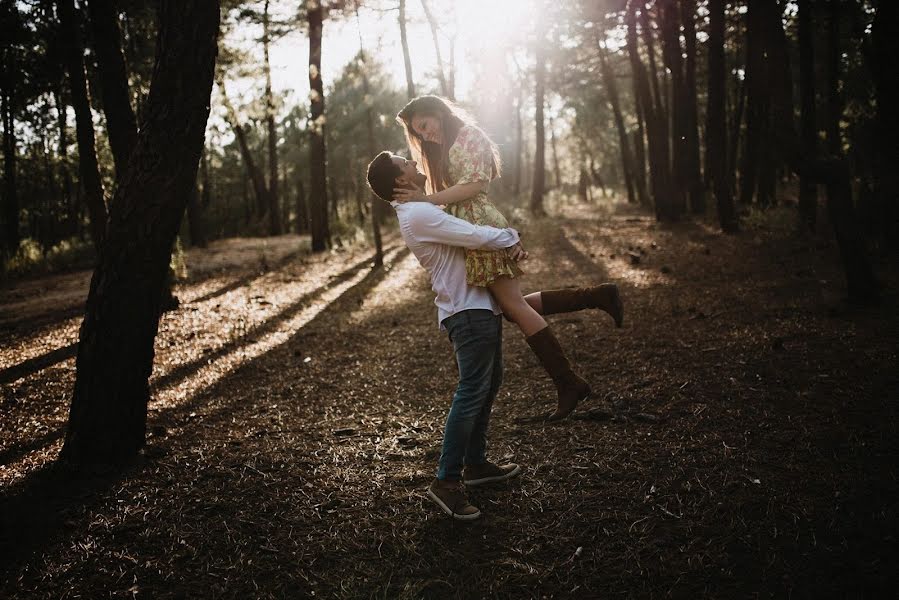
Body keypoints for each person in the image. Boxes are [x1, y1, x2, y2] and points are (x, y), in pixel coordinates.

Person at [366, 151, 623, 520]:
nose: (412, 161)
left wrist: (501, 240)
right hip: (466, 313)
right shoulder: (417, 212)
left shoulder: (420, 208)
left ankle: (476, 466)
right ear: (398, 181)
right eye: (404, 160)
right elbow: (471, 235)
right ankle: (446, 482)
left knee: (487, 384)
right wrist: (510, 236)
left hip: (477, 307)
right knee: (472, 391)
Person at [394, 95, 623, 421]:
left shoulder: (468, 135)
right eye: (419, 133)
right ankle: (597, 297)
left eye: (425, 126)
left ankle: (568, 381)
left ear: (439, 114)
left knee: (512, 305)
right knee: (508, 305)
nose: (425, 135)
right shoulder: (447, 145)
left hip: (479, 223)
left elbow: (475, 184)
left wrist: (428, 200)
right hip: (470, 226)